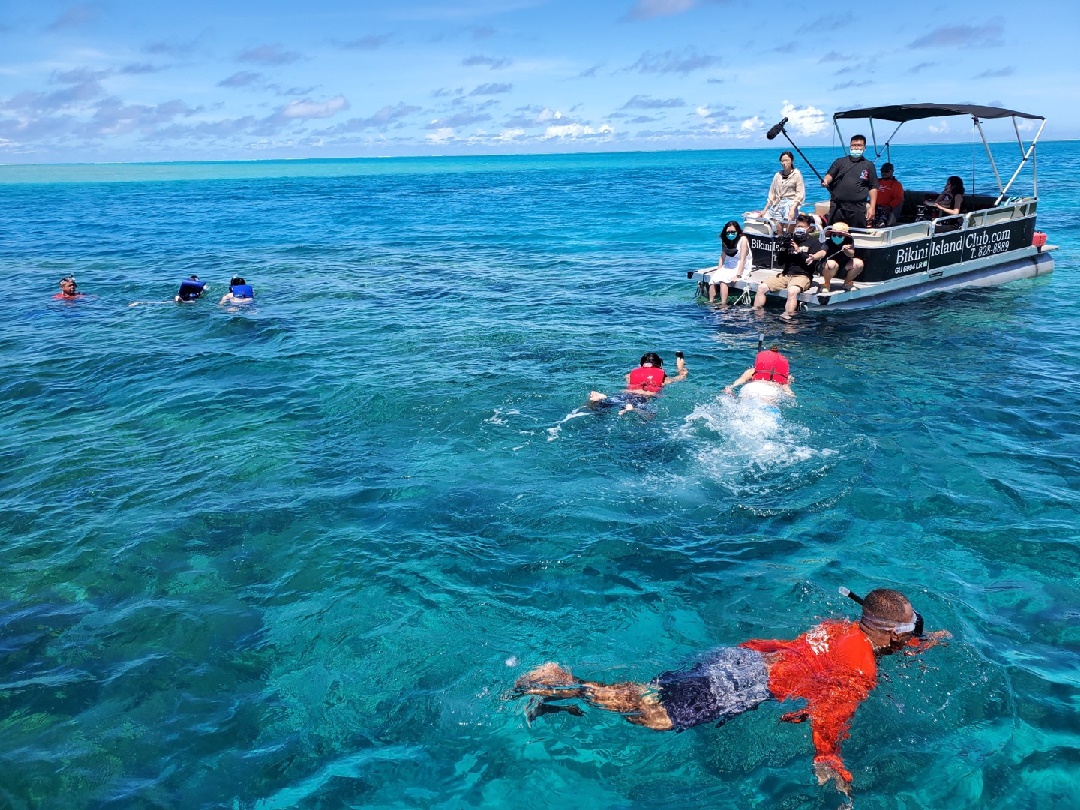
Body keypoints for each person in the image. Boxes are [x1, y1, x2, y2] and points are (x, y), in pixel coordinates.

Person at [512, 587, 950, 799]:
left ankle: (565, 685)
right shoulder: (861, 667)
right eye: (911, 630)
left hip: (738, 660)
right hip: (744, 684)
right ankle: (562, 681)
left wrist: (919, 642)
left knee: (651, 692)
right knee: (657, 717)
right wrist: (828, 756)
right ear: (892, 635)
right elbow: (833, 712)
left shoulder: (839, 628)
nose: (913, 635)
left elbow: (804, 651)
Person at [753, 214, 824, 319]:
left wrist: (798, 251)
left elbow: (810, 263)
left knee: (792, 291)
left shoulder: (814, 243)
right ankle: (757, 313)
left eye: (803, 227)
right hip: (786, 274)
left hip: (802, 276)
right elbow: (781, 262)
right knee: (762, 287)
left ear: (809, 228)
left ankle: (788, 316)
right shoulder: (790, 240)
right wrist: (782, 248)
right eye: (798, 226)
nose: (799, 229)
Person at [589, 352, 688, 415]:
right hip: (643, 398)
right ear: (660, 365)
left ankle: (603, 398)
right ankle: (633, 409)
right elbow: (682, 377)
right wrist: (680, 366)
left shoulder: (629, 375)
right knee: (649, 416)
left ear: (641, 365)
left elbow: (630, 380)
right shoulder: (665, 379)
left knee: (604, 405)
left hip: (626, 394)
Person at [821, 135, 878, 229]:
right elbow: (830, 175)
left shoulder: (869, 165)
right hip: (838, 207)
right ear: (850, 146)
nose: (856, 147)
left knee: (857, 235)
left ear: (864, 148)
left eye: (859, 145)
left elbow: (873, 187)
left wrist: (872, 207)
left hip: (858, 208)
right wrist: (826, 181)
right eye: (854, 145)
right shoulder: (840, 162)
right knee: (835, 235)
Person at [724, 343, 794, 400]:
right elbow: (786, 388)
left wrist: (731, 387)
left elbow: (742, 379)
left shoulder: (752, 370)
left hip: (750, 388)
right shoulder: (785, 376)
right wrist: (791, 394)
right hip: (771, 391)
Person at [705, 221, 751, 305]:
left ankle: (723, 303)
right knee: (713, 280)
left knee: (723, 280)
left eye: (733, 232)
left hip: (741, 265)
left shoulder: (743, 240)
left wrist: (738, 275)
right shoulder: (725, 239)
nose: (730, 234)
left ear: (737, 231)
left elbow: (743, 260)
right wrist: (718, 270)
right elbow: (722, 257)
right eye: (728, 232)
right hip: (729, 264)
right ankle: (711, 301)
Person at [761, 151, 805, 234]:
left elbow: (800, 194)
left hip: (791, 203)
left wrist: (793, 209)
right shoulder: (778, 175)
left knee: (789, 227)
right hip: (778, 203)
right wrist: (765, 209)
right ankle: (779, 241)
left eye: (786, 160)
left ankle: (789, 241)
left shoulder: (797, 174)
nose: (784, 163)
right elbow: (772, 193)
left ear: (792, 161)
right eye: (782, 161)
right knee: (775, 225)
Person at [819, 221, 863, 294]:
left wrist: (846, 250)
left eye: (840, 235)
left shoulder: (849, 241)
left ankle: (847, 283)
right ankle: (826, 284)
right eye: (834, 234)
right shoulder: (828, 242)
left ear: (845, 236)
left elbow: (851, 254)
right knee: (831, 264)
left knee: (859, 263)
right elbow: (822, 252)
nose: (836, 237)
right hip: (828, 267)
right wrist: (814, 257)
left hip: (843, 267)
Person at [873, 163, 904, 227]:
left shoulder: (896, 184)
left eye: (886, 171)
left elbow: (898, 198)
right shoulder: (877, 181)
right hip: (875, 207)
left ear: (892, 172)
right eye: (882, 171)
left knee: (881, 221)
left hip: (886, 208)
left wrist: (890, 206)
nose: (884, 173)